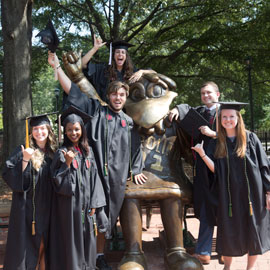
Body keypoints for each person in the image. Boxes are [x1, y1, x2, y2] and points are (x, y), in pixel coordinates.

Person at [48, 52, 147, 270]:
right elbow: (73, 92)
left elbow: (135, 149)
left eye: (122, 95)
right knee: (93, 217)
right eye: (114, 95)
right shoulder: (96, 111)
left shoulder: (128, 122)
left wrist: (137, 168)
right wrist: (57, 67)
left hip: (117, 180)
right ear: (108, 96)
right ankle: (88, 257)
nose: (118, 98)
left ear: (125, 97)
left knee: (106, 221)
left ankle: (99, 254)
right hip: (93, 177)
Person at [192, 101, 270, 270]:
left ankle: (250, 268)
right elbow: (216, 172)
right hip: (229, 198)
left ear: (238, 118)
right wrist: (203, 154)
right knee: (228, 232)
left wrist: (269, 192)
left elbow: (264, 166)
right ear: (220, 120)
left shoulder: (251, 138)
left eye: (231, 116)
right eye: (224, 117)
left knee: (253, 232)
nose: (228, 120)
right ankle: (227, 267)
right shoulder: (217, 142)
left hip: (253, 197)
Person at [49, 105, 106, 270]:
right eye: (69, 130)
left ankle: (88, 266)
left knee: (88, 238)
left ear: (82, 130)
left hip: (88, 206)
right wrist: (67, 163)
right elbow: (57, 182)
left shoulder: (88, 152)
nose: (73, 133)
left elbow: (95, 179)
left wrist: (95, 203)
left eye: (76, 129)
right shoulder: (61, 152)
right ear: (65, 132)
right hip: (70, 207)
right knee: (72, 240)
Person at [169, 81, 220, 265]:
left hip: (222, 168)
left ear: (218, 94)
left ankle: (220, 249)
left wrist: (213, 133)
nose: (206, 96)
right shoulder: (200, 111)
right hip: (202, 168)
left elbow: (237, 134)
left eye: (209, 93)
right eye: (203, 93)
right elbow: (186, 108)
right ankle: (204, 251)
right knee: (205, 207)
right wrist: (176, 109)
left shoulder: (226, 113)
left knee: (223, 208)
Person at [2, 113, 57, 270]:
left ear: (48, 130)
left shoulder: (54, 153)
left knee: (46, 245)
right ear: (31, 132)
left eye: (42, 128)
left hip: (50, 207)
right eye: (35, 129)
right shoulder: (23, 151)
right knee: (31, 246)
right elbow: (9, 175)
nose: (39, 132)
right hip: (28, 209)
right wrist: (25, 159)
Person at [81, 35, 155, 102]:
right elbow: (82, 64)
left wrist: (141, 71)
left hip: (124, 113)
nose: (120, 54)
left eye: (123, 52)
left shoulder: (132, 72)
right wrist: (95, 48)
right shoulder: (103, 69)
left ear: (126, 57)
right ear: (113, 55)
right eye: (117, 52)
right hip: (104, 110)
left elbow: (153, 72)